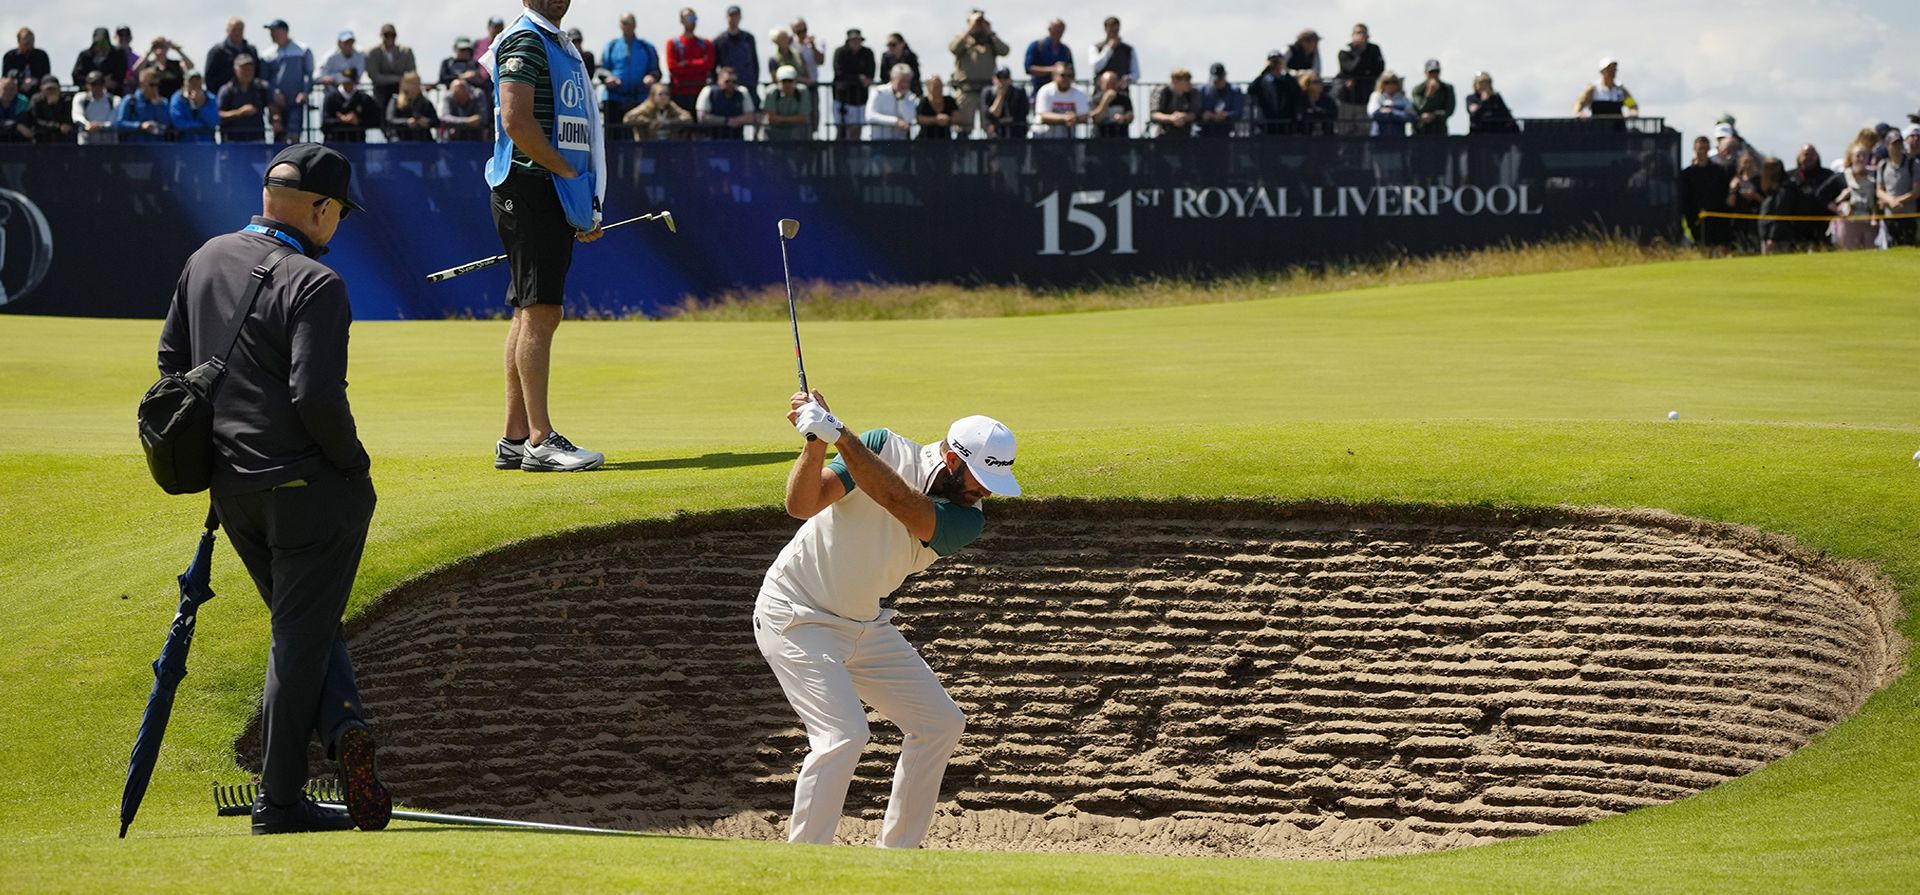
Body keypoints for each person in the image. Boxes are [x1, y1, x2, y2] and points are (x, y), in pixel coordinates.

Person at [156, 142, 389, 837]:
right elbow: (315, 396)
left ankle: (343, 724)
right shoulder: (318, 283)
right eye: (339, 211)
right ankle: (279, 802)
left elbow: (171, 369)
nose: (338, 223)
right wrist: (355, 466)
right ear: (318, 209)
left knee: (304, 623)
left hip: (233, 493)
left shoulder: (204, 258)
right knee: (298, 633)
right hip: (309, 488)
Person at [758, 392, 1021, 849]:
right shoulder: (881, 445)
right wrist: (815, 441)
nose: (987, 491)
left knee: (941, 724)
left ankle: (897, 857)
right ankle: (803, 862)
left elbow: (898, 499)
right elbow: (802, 505)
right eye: (981, 479)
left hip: (864, 625)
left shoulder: (967, 519)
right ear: (952, 459)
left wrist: (840, 435)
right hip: (797, 614)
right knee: (843, 735)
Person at [488, 0, 609, 474]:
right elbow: (516, 122)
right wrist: (569, 177)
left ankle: (515, 438)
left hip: (546, 191)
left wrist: (579, 199)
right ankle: (540, 441)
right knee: (542, 312)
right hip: (531, 188)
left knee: (527, 311)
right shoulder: (525, 39)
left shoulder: (558, 44)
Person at [950, 11, 1009, 139]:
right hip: (967, 90)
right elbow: (953, 48)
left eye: (981, 22)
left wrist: (990, 33)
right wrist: (969, 31)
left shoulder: (990, 40)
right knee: (964, 128)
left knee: (989, 127)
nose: (979, 26)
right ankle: (963, 152)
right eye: (976, 23)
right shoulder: (964, 39)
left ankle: (990, 152)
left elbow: (1005, 50)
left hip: (987, 91)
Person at [599, 14, 660, 130]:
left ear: (635, 25)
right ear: (620, 25)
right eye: (624, 23)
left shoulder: (646, 47)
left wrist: (651, 76)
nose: (627, 26)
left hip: (641, 99)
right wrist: (608, 78)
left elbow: (656, 70)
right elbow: (602, 70)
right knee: (614, 136)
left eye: (630, 23)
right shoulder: (611, 46)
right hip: (615, 99)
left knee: (641, 135)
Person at [261, 20, 315, 143]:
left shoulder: (302, 50)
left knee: (294, 137)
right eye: (271, 32)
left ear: (285, 31)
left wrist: (304, 92)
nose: (272, 34)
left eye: (274, 31)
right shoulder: (267, 55)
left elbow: (309, 74)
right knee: (279, 137)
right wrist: (274, 93)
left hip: (296, 102)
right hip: (276, 105)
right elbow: (264, 79)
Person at [1679, 135, 1731, 256]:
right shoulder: (1687, 173)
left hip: (1717, 215)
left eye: (1705, 148)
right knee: (1704, 249)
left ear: (1708, 149)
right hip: (1696, 217)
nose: (1702, 151)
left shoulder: (1719, 171)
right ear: (1694, 149)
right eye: (1700, 148)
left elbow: (1724, 192)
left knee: (1720, 248)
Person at [665, 8, 716, 115]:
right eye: (688, 18)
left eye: (694, 18)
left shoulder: (706, 44)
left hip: (701, 93)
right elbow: (673, 68)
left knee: (702, 124)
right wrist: (698, 64)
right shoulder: (673, 43)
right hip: (679, 93)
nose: (692, 21)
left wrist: (687, 64)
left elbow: (708, 65)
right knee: (682, 123)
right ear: (681, 21)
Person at [1334, 23, 1383, 133]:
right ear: (1352, 35)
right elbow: (1349, 68)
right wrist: (1359, 51)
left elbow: (1379, 69)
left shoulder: (1374, 49)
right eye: (1358, 33)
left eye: (1363, 33)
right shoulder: (1345, 51)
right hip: (1347, 99)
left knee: (1363, 131)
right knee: (1344, 131)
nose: (1361, 36)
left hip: (1365, 98)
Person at [1831, 145, 1878, 251]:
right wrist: (1838, 208)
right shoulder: (1842, 176)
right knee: (1849, 253)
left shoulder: (1875, 174)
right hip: (1849, 222)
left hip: (1869, 222)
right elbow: (1821, 196)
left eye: (1864, 155)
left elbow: (1877, 198)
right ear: (1851, 157)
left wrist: (1875, 216)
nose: (1861, 158)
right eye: (1858, 155)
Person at [831, 29, 875, 141]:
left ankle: (854, 152)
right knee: (841, 131)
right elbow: (839, 74)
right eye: (853, 40)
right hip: (842, 98)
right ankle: (840, 151)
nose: (856, 43)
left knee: (856, 131)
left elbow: (870, 75)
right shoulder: (840, 52)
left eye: (858, 40)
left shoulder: (867, 53)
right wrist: (858, 77)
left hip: (860, 99)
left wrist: (862, 79)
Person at [218, 55, 272, 143]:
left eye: (250, 68)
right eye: (244, 69)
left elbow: (272, 108)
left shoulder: (261, 88)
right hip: (232, 142)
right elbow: (218, 116)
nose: (247, 72)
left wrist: (276, 119)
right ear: (235, 69)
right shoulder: (227, 90)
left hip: (257, 141)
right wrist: (239, 112)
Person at [695, 65, 759, 140]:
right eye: (727, 81)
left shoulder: (742, 92)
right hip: (712, 139)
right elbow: (702, 117)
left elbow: (750, 117)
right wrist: (726, 121)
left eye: (734, 82)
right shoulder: (708, 91)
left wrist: (736, 121)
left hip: (736, 139)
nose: (731, 84)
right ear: (719, 80)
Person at [1877, 133, 1918, 247]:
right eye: (1894, 144)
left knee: (1910, 247)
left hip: (1909, 215)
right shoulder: (1882, 165)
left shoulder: (1913, 163)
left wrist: (1897, 201)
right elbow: (1879, 191)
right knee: (1891, 247)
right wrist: (1891, 201)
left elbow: (1916, 191)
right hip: (1889, 216)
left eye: (1900, 143)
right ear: (1887, 146)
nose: (1898, 146)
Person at [1756, 157, 1802, 255]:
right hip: (1767, 235)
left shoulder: (1784, 190)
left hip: (1778, 238)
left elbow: (1780, 215)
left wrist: (1772, 238)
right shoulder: (1772, 191)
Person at [365, 24, 417, 111]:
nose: (390, 38)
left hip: (401, 90)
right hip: (381, 91)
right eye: (386, 35)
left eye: (392, 35)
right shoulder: (373, 53)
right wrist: (398, 78)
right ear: (381, 36)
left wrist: (401, 81)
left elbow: (411, 74)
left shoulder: (406, 51)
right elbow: (375, 77)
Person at [1248, 50, 1301, 135]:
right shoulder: (1263, 81)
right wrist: (1264, 71)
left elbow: (1297, 91)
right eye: (1273, 62)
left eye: (1278, 62)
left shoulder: (1288, 80)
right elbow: (1251, 90)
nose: (1276, 65)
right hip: (1267, 124)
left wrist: (1285, 69)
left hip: (1286, 125)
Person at [713, 6, 758, 104]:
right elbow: (714, 65)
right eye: (731, 16)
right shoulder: (719, 40)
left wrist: (754, 82)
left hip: (747, 83)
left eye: (736, 16)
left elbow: (755, 63)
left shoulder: (748, 38)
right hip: (727, 86)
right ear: (727, 17)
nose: (733, 19)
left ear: (740, 17)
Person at [320, 70, 380, 142]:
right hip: (334, 142)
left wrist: (358, 121)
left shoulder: (363, 98)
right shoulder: (331, 97)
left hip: (357, 142)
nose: (347, 84)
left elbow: (376, 120)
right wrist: (342, 120)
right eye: (344, 82)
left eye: (349, 82)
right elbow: (325, 122)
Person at [621, 80, 692, 139]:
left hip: (669, 144)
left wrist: (669, 122)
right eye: (660, 94)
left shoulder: (671, 106)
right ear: (652, 96)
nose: (664, 97)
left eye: (667, 94)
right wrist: (650, 122)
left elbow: (687, 117)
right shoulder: (646, 106)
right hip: (647, 144)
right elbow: (628, 118)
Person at [114, 68, 171, 142]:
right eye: (152, 85)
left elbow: (166, 125)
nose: (155, 88)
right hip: (134, 146)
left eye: (157, 85)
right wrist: (140, 126)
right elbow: (120, 124)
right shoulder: (130, 100)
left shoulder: (163, 103)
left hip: (156, 146)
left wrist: (158, 107)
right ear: (142, 84)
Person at [1032, 62, 1086, 138]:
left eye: (1070, 76)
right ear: (1054, 76)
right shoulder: (1045, 91)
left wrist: (1075, 118)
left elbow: (1084, 116)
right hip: (1043, 137)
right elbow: (1043, 115)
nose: (1066, 79)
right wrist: (1065, 118)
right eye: (1063, 75)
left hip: (1068, 138)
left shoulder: (1079, 92)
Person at [865, 63, 918, 140]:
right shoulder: (878, 92)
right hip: (878, 142)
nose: (904, 85)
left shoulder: (911, 97)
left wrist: (901, 99)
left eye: (907, 81)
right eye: (901, 81)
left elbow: (910, 119)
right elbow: (870, 116)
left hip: (900, 143)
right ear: (892, 79)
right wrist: (895, 121)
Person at [205, 17, 257, 96]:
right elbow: (209, 78)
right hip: (224, 97)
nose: (237, 33)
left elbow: (257, 73)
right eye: (234, 29)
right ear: (227, 30)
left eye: (240, 29)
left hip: (249, 96)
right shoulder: (217, 51)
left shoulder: (251, 50)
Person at [761, 65, 811, 141]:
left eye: (790, 81)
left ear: (795, 81)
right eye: (784, 81)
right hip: (772, 136)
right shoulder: (771, 92)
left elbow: (803, 118)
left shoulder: (802, 92)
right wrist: (793, 119)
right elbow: (771, 118)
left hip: (796, 137)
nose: (787, 84)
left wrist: (780, 119)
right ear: (778, 81)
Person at [385, 72, 439, 142]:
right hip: (401, 140)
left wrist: (426, 121)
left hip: (423, 140)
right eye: (413, 83)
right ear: (405, 84)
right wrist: (407, 122)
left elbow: (436, 121)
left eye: (418, 83)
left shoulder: (425, 102)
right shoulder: (395, 100)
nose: (417, 86)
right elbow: (390, 119)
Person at [1726, 152, 1763, 252]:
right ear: (1740, 164)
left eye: (1750, 162)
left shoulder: (1760, 180)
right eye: (1745, 162)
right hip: (1739, 221)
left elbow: (1766, 203)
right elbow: (1730, 204)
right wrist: (1733, 190)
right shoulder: (1735, 181)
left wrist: (1755, 195)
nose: (1748, 165)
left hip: (1755, 220)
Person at [1023, 18, 1071, 95]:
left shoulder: (1065, 50)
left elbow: (1072, 71)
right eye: (1056, 30)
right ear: (1049, 29)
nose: (1058, 33)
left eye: (1061, 31)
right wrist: (1053, 69)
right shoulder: (1037, 46)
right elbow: (1028, 68)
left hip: (1061, 94)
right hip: (1039, 91)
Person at [1196, 63, 1245, 138]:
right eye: (1215, 79)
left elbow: (1238, 113)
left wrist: (1226, 115)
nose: (1217, 82)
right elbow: (1196, 111)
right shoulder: (1202, 90)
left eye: (1220, 79)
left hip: (1226, 133)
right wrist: (1204, 115)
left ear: (1225, 75)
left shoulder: (1235, 91)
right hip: (1204, 133)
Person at [169, 71, 219, 142]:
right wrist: (200, 126)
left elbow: (213, 122)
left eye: (197, 81)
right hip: (185, 144)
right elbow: (179, 123)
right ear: (185, 82)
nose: (195, 84)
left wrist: (201, 105)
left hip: (207, 143)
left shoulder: (211, 98)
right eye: (191, 81)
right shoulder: (177, 99)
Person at [74, 28, 126, 97]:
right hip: (88, 96)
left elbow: (121, 75)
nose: (101, 46)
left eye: (104, 42)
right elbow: (76, 75)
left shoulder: (118, 54)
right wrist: (94, 82)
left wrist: (112, 82)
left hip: (113, 95)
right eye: (99, 43)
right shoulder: (85, 56)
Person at [1150, 68, 1200, 138]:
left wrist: (1184, 117)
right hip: (1164, 134)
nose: (1190, 84)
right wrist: (1171, 118)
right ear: (1175, 81)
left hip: (1186, 135)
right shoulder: (1161, 91)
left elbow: (1195, 113)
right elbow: (1154, 114)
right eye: (1186, 80)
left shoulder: (1193, 93)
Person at [72, 70, 119, 144]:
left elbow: (114, 121)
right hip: (86, 144)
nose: (97, 87)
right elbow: (77, 116)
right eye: (94, 84)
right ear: (87, 85)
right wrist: (87, 125)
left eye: (100, 83)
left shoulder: (115, 100)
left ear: (104, 84)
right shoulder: (80, 98)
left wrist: (100, 126)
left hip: (108, 145)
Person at [980, 66, 1028, 139]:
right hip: (996, 134)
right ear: (993, 79)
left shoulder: (1018, 92)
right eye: (999, 78)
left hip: (1016, 134)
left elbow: (1021, 114)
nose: (1002, 81)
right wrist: (1000, 95)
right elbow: (991, 114)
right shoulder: (988, 93)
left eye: (1005, 78)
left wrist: (1005, 120)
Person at [1088, 16, 1139, 83]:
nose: (1113, 33)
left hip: (1121, 89)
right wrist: (1108, 49)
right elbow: (1096, 66)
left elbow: (1136, 74)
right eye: (1110, 30)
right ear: (1105, 29)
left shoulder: (1129, 49)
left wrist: (1128, 78)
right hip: (1100, 88)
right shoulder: (1095, 47)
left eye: (1115, 30)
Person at [1409, 59, 1452, 136]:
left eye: (1436, 72)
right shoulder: (1417, 89)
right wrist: (1429, 95)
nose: (1434, 75)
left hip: (1439, 130)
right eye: (1431, 72)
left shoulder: (1447, 88)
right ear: (1425, 73)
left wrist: (1434, 115)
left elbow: (1449, 110)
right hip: (1420, 130)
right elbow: (1421, 108)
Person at [1367, 70, 1412, 138]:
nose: (1390, 85)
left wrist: (1391, 111)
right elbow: (1373, 114)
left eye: (1394, 82)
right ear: (1382, 84)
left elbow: (1411, 116)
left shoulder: (1403, 98)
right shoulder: (1376, 96)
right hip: (1379, 137)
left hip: (1399, 138)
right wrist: (1400, 113)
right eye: (1386, 82)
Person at [30, 76, 74, 143]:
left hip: (62, 139)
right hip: (41, 139)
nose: (51, 92)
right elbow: (36, 120)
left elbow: (67, 121)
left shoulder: (66, 100)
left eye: (54, 89)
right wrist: (56, 126)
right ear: (41, 89)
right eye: (48, 89)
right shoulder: (36, 100)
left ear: (59, 89)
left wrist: (56, 105)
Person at [1088, 71, 1131, 138]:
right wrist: (1106, 101)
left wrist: (1123, 118)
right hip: (1100, 137)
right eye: (1108, 84)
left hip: (1120, 137)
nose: (1111, 87)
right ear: (1102, 84)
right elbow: (1096, 118)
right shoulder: (1095, 99)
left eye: (1113, 83)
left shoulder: (1124, 98)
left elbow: (1131, 116)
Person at [916, 75, 958, 140]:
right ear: (929, 88)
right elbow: (919, 118)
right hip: (925, 139)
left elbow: (958, 117)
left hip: (945, 139)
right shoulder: (924, 101)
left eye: (941, 86)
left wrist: (948, 119)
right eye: (936, 87)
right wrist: (936, 120)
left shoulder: (949, 100)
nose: (939, 89)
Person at [0, 77, 32, 142]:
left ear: (16, 90)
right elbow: (18, 124)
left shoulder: (23, 101)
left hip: (16, 139)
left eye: (12, 89)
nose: (8, 92)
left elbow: (23, 122)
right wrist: (16, 125)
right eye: (5, 88)